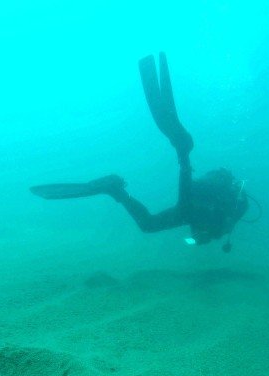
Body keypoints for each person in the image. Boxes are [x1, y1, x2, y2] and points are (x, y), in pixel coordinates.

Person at [31, 53, 250, 253]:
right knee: (183, 199)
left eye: (195, 237)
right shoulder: (225, 220)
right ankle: (183, 152)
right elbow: (213, 207)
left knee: (148, 225)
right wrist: (218, 223)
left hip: (192, 207)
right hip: (197, 204)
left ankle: (115, 191)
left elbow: (195, 217)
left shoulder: (212, 225)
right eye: (199, 237)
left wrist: (201, 231)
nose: (195, 237)